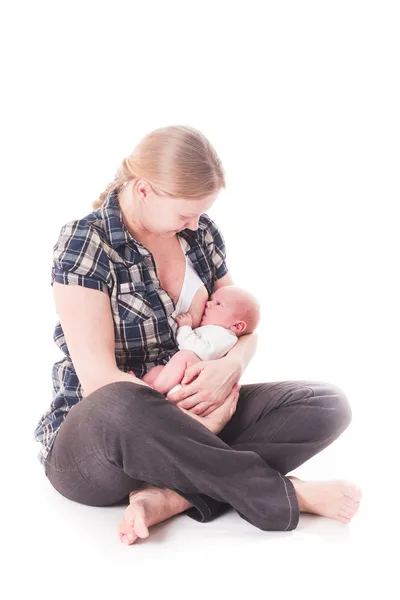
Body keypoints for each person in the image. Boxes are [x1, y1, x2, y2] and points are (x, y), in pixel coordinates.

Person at [33, 125, 361, 546]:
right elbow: (98, 378)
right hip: (102, 442)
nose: (195, 222)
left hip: (194, 418)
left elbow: (243, 328)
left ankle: (170, 498)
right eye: (185, 213)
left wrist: (229, 369)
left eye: (200, 212)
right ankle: (282, 493)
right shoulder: (86, 242)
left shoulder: (199, 234)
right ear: (145, 191)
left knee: (327, 404)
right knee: (118, 404)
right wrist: (188, 422)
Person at [142, 285, 261, 399]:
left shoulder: (226, 336)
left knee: (186, 355)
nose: (208, 304)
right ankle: (139, 386)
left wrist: (185, 328)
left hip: (195, 380)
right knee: (157, 371)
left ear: (237, 326)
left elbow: (202, 352)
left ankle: (154, 389)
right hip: (181, 377)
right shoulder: (213, 330)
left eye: (218, 304)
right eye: (211, 300)